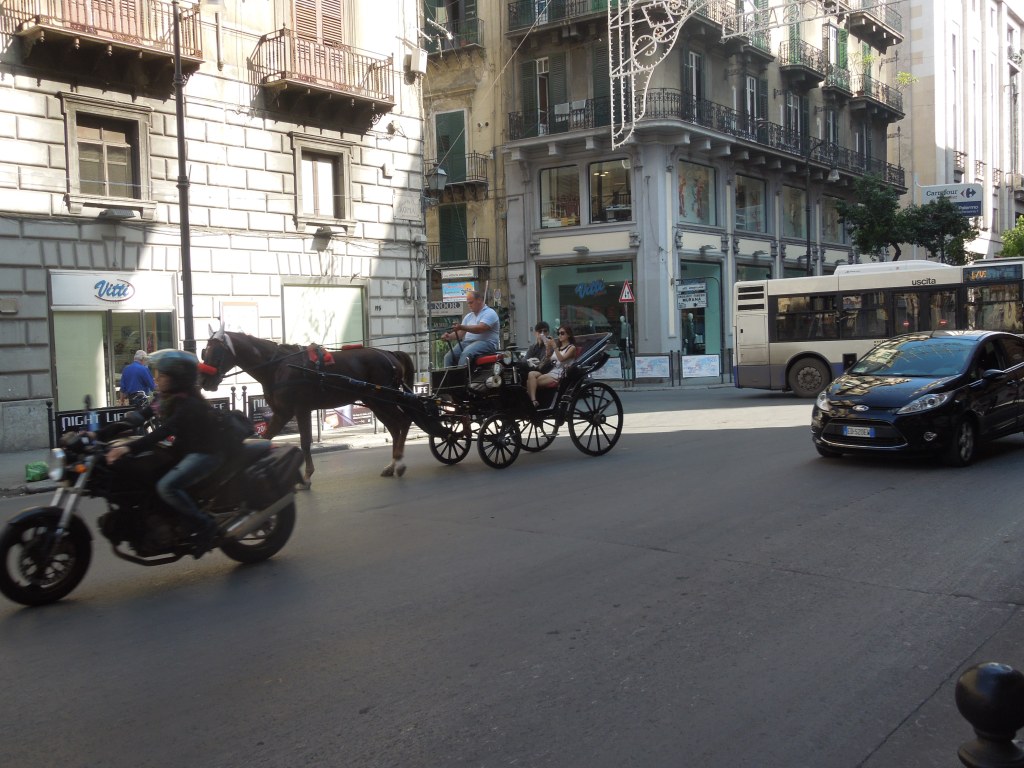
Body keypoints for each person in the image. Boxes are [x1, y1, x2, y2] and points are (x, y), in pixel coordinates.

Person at [102, 349, 222, 557]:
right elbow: (138, 418)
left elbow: (163, 431)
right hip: (184, 451)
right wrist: (98, 435)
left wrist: (128, 447)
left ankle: (205, 525)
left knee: (166, 486)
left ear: (177, 379)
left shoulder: (189, 404)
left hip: (205, 453)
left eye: (163, 375)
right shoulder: (165, 398)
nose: (156, 379)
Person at [442, 290, 500, 366]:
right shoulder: (468, 316)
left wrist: (461, 327)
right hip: (468, 343)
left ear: (479, 300)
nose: (469, 305)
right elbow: (460, 333)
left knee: (466, 353)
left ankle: (463, 373)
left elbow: (480, 329)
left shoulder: (489, 313)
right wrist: (449, 336)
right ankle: (448, 373)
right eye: (468, 303)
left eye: (471, 302)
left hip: (487, 343)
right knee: (449, 356)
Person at [526, 325, 577, 407]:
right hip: (551, 371)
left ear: (568, 335)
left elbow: (561, 359)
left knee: (530, 382)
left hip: (559, 374)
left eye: (562, 333)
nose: (559, 335)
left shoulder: (571, 348)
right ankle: (533, 401)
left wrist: (555, 347)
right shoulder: (559, 347)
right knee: (531, 374)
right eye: (558, 333)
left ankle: (533, 401)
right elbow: (549, 358)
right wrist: (548, 347)